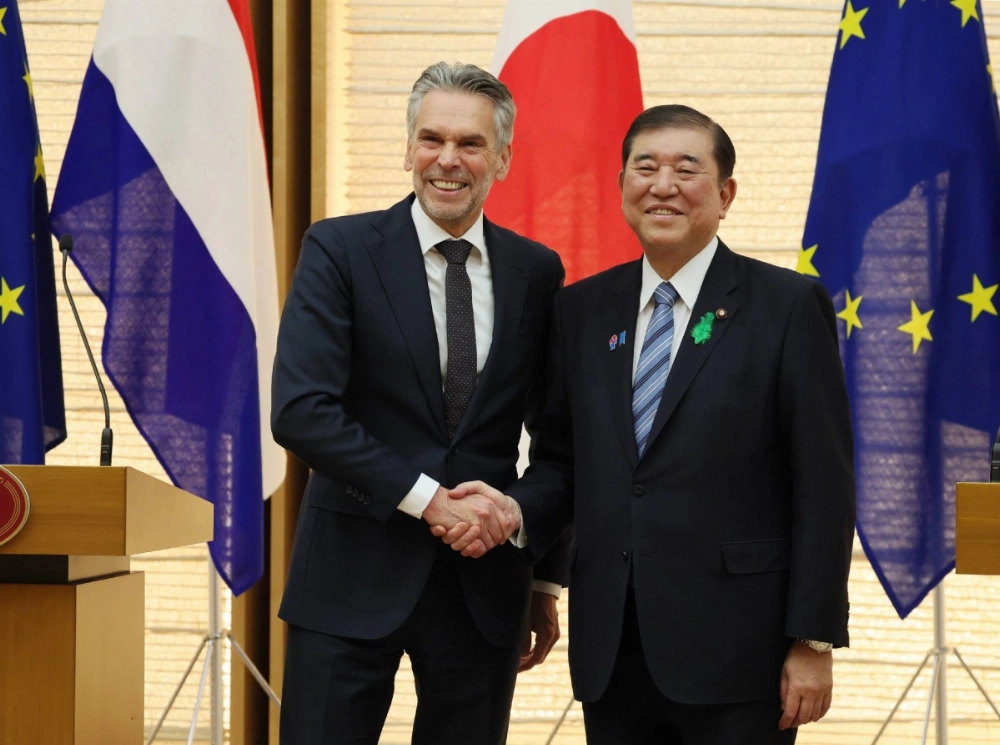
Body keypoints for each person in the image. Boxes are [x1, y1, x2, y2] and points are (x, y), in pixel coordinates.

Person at [442, 105, 856, 744]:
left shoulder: (787, 306)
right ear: (622, 187)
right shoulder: (581, 310)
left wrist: (813, 638)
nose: (663, 186)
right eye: (646, 168)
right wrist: (528, 543)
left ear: (725, 195)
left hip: (740, 654)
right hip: (615, 648)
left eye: (686, 170)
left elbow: (823, 485)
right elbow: (564, 460)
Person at [271, 61, 572, 745]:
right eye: (431, 138)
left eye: (470, 144)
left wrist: (544, 575)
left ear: (502, 156)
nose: (447, 159)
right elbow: (302, 411)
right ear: (408, 148)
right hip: (348, 576)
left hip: (485, 586)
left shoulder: (537, 271)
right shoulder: (340, 250)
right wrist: (431, 500)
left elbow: (562, 442)